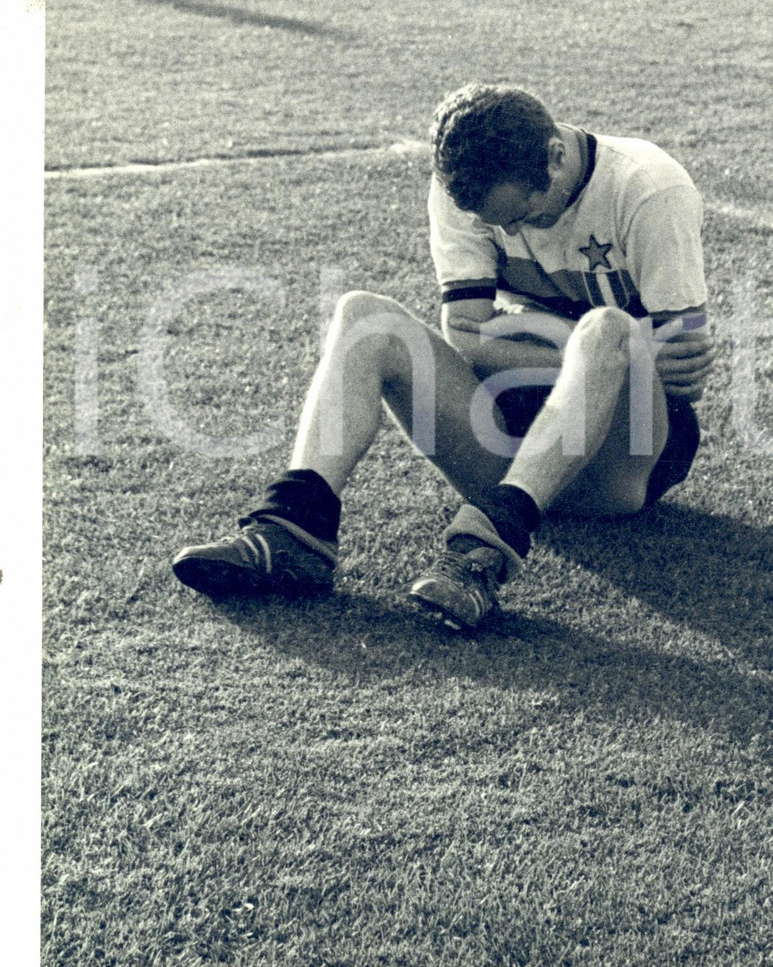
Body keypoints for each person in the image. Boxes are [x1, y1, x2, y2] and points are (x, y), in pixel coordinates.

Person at [172, 84, 715, 631]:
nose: (509, 233)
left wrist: (591, 351)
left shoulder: (647, 186)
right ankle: (293, 529)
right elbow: (465, 337)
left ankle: (486, 551)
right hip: (508, 439)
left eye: (522, 214)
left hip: (621, 460)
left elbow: (682, 374)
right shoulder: (464, 186)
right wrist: (585, 352)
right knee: (364, 316)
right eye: (494, 222)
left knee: (608, 330)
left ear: (555, 156)